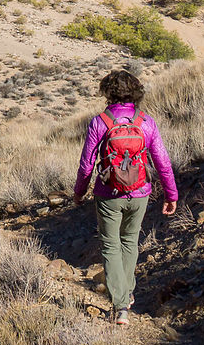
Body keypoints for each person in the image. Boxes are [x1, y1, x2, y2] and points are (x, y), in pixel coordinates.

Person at [73, 69, 178, 326]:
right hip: (140, 192)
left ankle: (121, 305)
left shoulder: (100, 122)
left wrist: (79, 191)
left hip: (109, 193)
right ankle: (127, 293)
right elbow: (162, 162)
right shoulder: (146, 122)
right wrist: (171, 194)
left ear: (108, 92)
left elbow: (87, 164)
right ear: (136, 92)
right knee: (130, 241)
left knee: (110, 245)